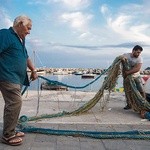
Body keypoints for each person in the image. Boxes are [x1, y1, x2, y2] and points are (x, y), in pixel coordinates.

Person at [0, 15, 38, 146]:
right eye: (28, 28)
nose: (29, 32)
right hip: (7, 77)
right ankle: (7, 135)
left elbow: (26, 57)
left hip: (17, 78)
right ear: (20, 24)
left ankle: (11, 130)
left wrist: (33, 70)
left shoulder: (20, 40)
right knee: (15, 103)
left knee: (13, 105)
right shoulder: (5, 34)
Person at [120, 45, 145, 110]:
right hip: (126, 77)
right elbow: (120, 59)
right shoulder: (126, 55)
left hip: (136, 76)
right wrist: (121, 59)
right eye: (137, 52)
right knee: (127, 91)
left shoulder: (140, 58)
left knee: (141, 90)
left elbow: (137, 68)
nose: (138, 54)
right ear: (133, 50)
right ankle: (129, 104)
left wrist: (127, 72)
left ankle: (143, 103)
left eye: (140, 53)